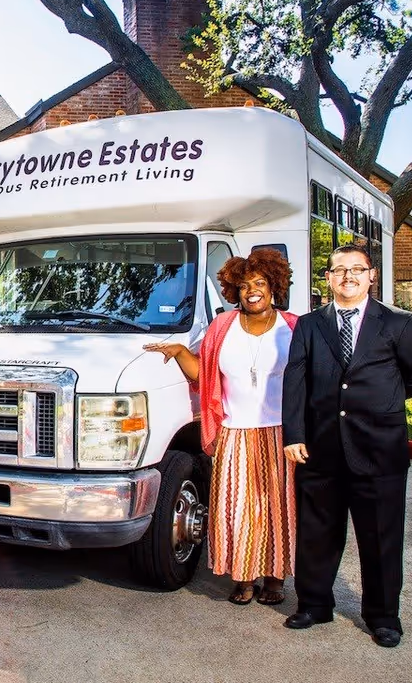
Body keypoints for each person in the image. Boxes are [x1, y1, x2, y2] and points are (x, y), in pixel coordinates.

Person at [281, 244, 412, 648]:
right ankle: (314, 604)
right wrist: (294, 434)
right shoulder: (310, 325)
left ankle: (384, 617)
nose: (348, 276)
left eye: (357, 269)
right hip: (320, 448)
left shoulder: (400, 322)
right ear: (328, 279)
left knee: (381, 535)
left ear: (372, 276)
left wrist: (383, 402)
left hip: (380, 449)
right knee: (317, 531)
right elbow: (295, 381)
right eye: (339, 270)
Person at [144, 247, 297, 605]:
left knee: (278, 507)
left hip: (281, 433)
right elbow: (205, 375)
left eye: (260, 283)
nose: (252, 291)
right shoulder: (221, 328)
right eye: (244, 286)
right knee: (237, 508)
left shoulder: (293, 327)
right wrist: (181, 353)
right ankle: (243, 577)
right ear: (233, 291)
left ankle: (275, 578)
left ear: (274, 286)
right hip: (233, 431)